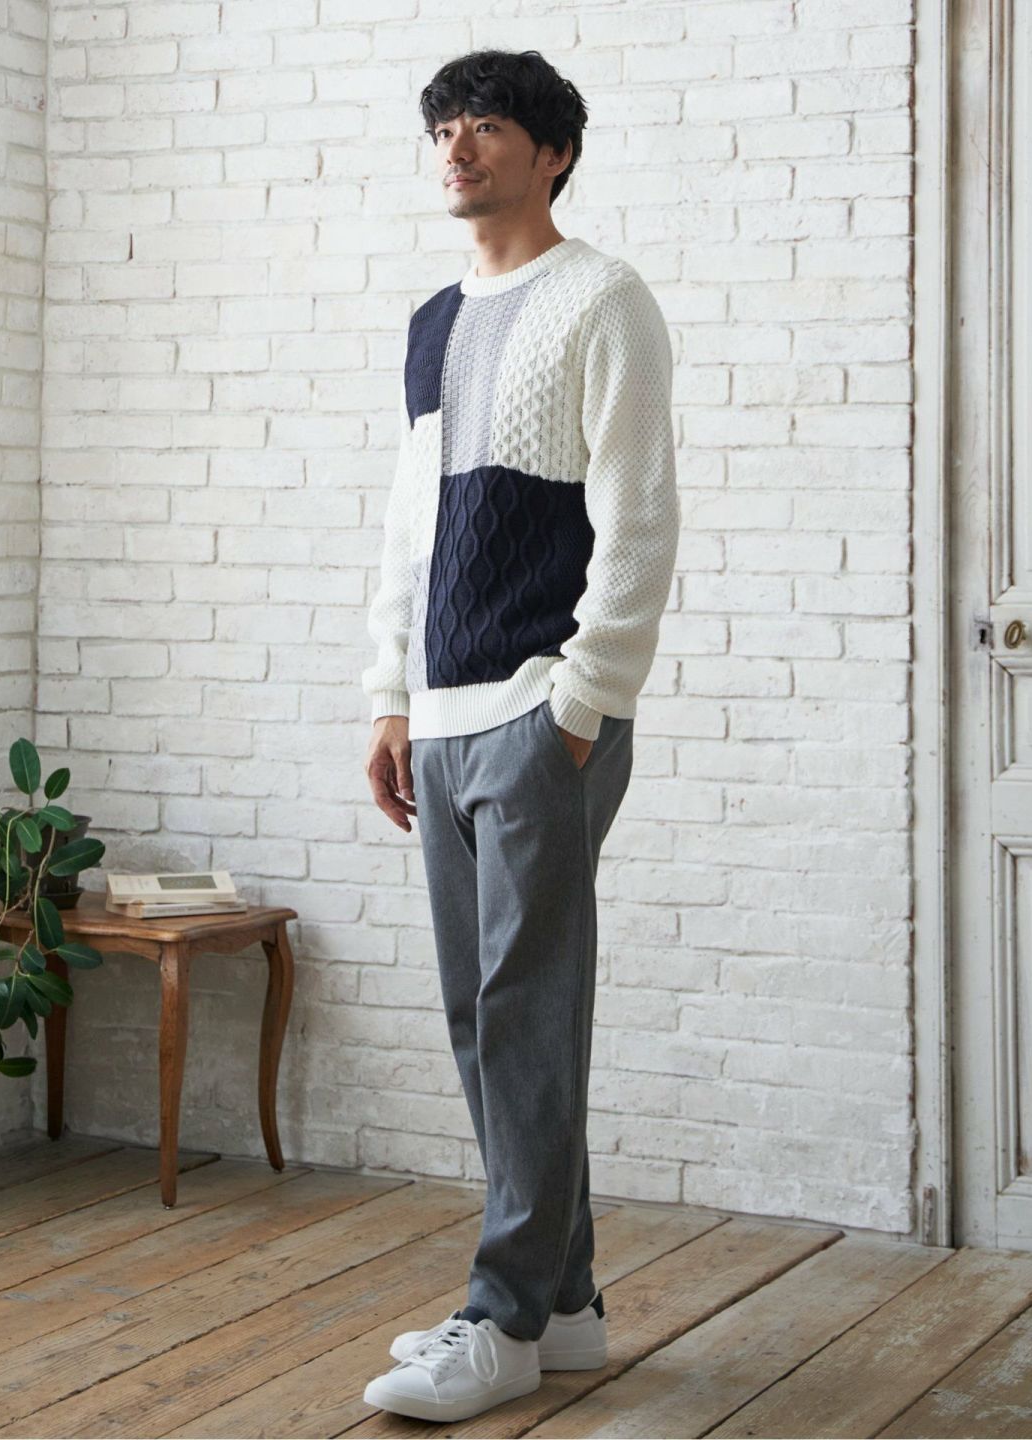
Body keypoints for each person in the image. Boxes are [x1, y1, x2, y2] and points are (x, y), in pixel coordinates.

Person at [359, 47, 680, 1424]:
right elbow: (415, 525)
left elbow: (638, 515)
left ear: (552, 153)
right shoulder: (435, 321)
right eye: (443, 125)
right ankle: (569, 1308)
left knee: (525, 1015)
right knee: (481, 1019)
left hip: (542, 711)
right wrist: (390, 694)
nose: (457, 146)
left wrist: (583, 701)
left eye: (486, 124)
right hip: (441, 717)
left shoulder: (602, 298)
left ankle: (501, 1317)